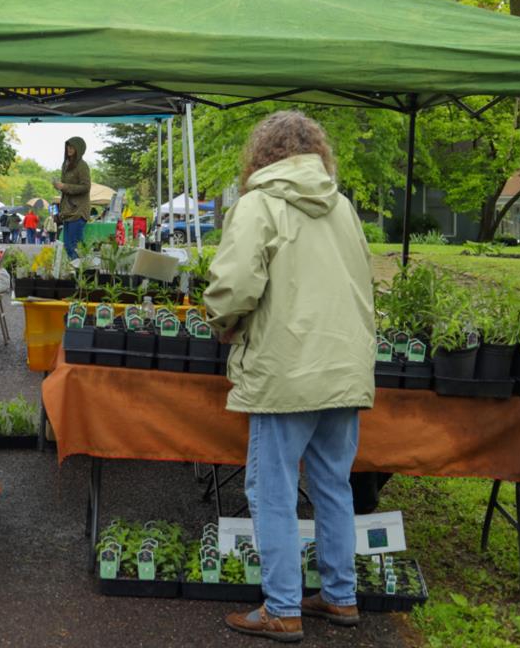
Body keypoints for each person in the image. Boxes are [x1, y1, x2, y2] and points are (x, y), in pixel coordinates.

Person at [203, 111, 374, 643]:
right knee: (332, 484)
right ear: (317, 154)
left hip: (286, 366)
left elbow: (234, 286)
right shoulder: (342, 207)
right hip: (345, 364)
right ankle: (340, 597)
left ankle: (282, 607)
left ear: (262, 155)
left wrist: (223, 326)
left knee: (271, 489)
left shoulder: (258, 204)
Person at [55, 137, 91, 260]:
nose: (69, 149)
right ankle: (76, 271)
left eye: (72, 147)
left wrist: (65, 186)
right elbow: (66, 188)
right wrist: (60, 186)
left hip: (78, 211)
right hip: (67, 211)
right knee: (67, 246)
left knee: (74, 246)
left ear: (78, 149)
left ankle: (82, 273)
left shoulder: (82, 165)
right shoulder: (65, 164)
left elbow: (86, 187)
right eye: (68, 147)